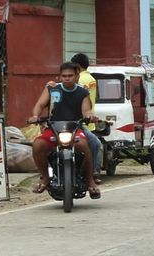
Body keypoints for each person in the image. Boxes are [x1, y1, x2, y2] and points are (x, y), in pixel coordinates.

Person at [27, 61, 101, 199]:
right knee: (37, 145)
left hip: (75, 129)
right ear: (60, 76)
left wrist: (90, 116)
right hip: (53, 129)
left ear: (77, 75)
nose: (67, 78)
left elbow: (86, 110)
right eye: (64, 76)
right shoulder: (52, 89)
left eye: (70, 75)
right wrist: (35, 116)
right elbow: (40, 104)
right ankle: (44, 177)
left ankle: (90, 180)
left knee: (84, 145)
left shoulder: (82, 92)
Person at [71, 52, 103, 177]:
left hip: (81, 121)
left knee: (92, 145)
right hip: (86, 120)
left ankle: (91, 173)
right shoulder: (91, 79)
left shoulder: (81, 80)